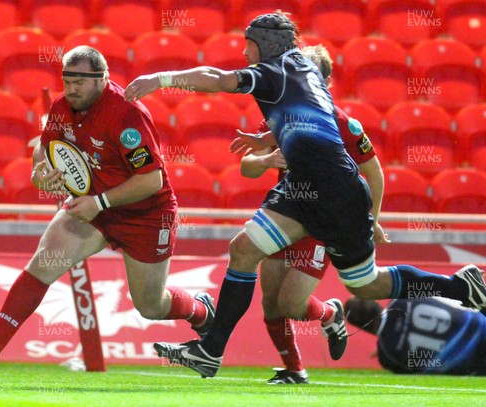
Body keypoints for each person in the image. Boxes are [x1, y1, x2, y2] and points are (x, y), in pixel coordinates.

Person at [124, 11, 486, 378]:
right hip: (302, 189)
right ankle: (212, 350)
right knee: (244, 250)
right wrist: (267, 141)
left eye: (248, 44)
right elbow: (304, 114)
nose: (244, 51)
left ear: (264, 45)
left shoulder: (275, 71)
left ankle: (460, 286)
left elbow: (217, 79)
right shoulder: (301, 68)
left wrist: (160, 78)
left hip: (335, 191)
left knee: (365, 284)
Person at [0, 45, 215, 377]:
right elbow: (45, 150)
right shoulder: (63, 106)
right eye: (68, 80)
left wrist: (99, 202)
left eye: (81, 81)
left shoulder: (127, 115)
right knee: (43, 265)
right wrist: (40, 173)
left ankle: (201, 314)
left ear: (102, 79)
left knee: (150, 305)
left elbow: (150, 180)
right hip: (95, 207)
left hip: (146, 215)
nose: (72, 89)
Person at [238, 44, 388, 384]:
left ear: (326, 82)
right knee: (271, 305)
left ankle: (330, 314)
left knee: (291, 303)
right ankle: (294, 369)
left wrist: (373, 219)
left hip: (320, 222)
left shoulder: (344, 125)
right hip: (283, 215)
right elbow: (246, 167)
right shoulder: (280, 118)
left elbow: (374, 172)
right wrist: (264, 161)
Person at [345, 294, 486, 375]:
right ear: (374, 301)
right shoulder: (403, 298)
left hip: (475, 364)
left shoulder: (388, 355)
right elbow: (451, 299)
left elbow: (422, 373)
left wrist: (388, 345)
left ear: (361, 328)